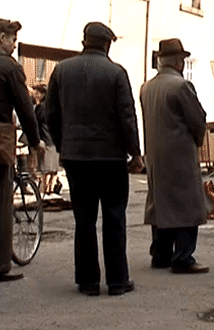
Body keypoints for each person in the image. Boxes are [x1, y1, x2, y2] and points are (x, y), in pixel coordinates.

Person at [46, 22, 143, 296]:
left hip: (76, 157)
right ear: (107, 44)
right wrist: (135, 152)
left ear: (84, 41)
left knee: (84, 219)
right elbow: (127, 117)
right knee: (114, 217)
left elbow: (50, 112)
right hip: (111, 158)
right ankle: (117, 280)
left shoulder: (62, 70)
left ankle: (88, 281)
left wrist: (64, 144)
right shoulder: (116, 72)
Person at [140, 38, 209, 275]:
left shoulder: (147, 87)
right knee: (186, 204)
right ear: (179, 61)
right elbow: (197, 119)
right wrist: (198, 140)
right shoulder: (181, 86)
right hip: (179, 153)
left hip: (155, 154)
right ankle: (183, 256)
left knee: (160, 201)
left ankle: (160, 253)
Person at [0, 18, 43, 282]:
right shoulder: (9, 68)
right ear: (1, 39)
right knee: (3, 200)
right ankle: (2, 262)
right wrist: (35, 139)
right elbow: (25, 108)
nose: (14, 44)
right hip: (0, 136)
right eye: (12, 39)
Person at [31, 83, 61, 197]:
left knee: (46, 169)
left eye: (37, 93)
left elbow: (36, 123)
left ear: (42, 94)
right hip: (55, 140)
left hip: (46, 140)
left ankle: (44, 191)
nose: (35, 95)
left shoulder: (41, 107)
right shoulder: (55, 106)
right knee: (53, 169)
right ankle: (50, 190)